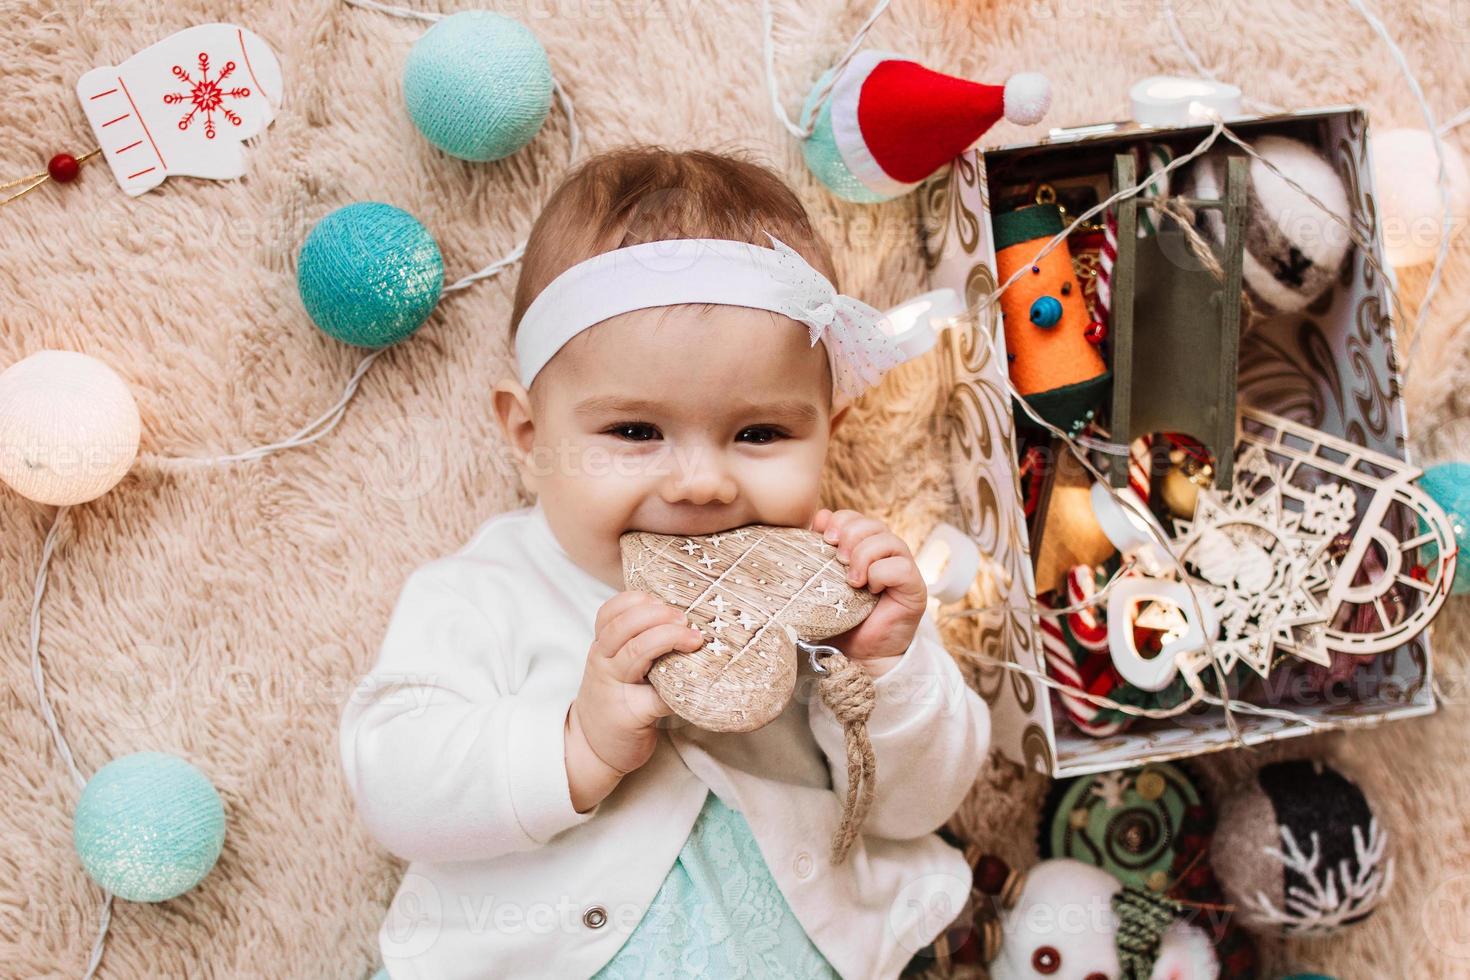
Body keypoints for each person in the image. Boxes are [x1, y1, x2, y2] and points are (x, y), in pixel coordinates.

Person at [340, 146, 991, 979]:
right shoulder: (484, 593)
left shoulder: (844, 596)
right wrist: (574, 746)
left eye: (760, 434)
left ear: (831, 426)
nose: (701, 483)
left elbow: (918, 809)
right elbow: (392, 785)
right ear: (531, 436)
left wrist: (884, 673)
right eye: (634, 433)